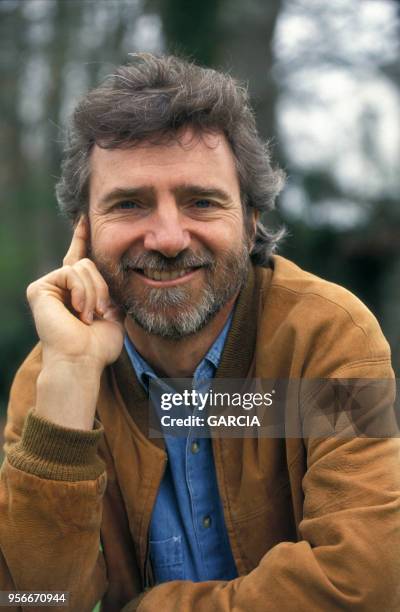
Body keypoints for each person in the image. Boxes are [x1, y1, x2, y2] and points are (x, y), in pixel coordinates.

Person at [1, 53, 399, 612]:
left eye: (201, 202)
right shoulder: (54, 375)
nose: (167, 237)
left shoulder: (327, 339)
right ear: (85, 231)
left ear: (252, 218)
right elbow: (34, 600)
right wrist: (69, 378)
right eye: (130, 204)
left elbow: (366, 586)